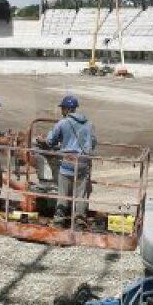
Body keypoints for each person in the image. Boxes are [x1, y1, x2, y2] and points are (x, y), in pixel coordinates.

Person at [38, 95, 96, 226]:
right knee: (80, 194)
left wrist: (42, 140)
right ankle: (80, 221)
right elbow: (93, 143)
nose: (61, 111)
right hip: (83, 163)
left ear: (68, 109)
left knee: (63, 193)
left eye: (62, 108)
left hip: (68, 163)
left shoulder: (63, 123)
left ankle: (59, 220)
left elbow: (50, 141)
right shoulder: (89, 123)